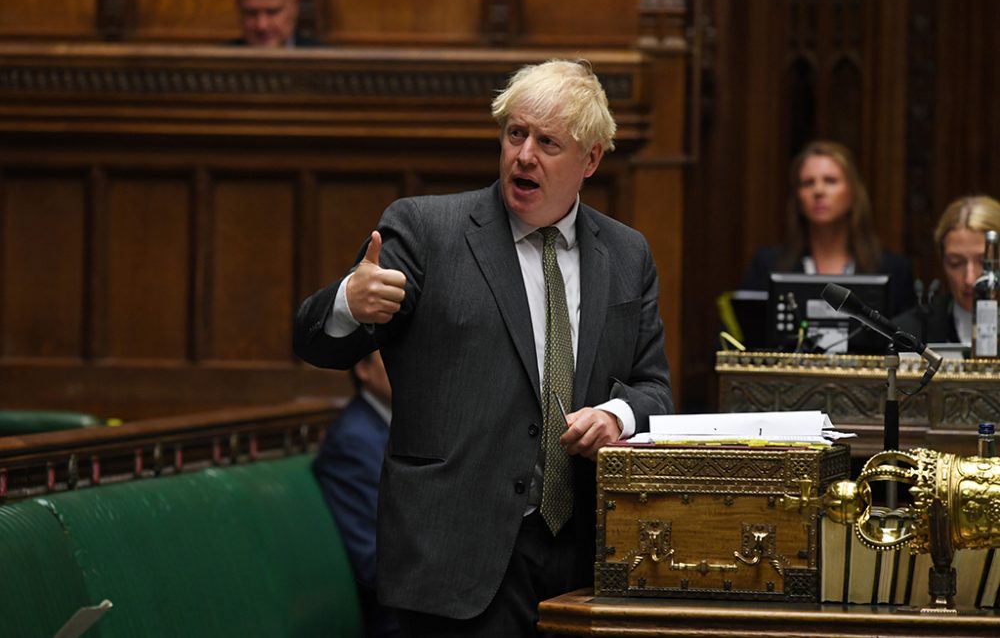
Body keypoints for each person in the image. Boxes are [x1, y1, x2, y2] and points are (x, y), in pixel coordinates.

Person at [293, 59, 673, 636]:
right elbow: (317, 342)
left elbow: (655, 391)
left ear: (590, 160)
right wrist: (348, 299)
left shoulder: (626, 254)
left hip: (586, 559)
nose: (524, 155)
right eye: (515, 133)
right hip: (456, 559)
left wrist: (616, 416)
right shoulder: (427, 230)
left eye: (548, 142)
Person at [738, 140, 915, 317]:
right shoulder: (768, 265)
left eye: (830, 181)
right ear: (798, 198)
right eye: (808, 183)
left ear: (853, 192)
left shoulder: (893, 269)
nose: (818, 191)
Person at [313, 350, 400, 638]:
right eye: (392, 356)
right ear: (363, 369)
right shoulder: (354, 442)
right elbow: (375, 565)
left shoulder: (399, 427)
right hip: (395, 621)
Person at [894, 195, 1000, 345]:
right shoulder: (910, 331)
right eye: (956, 263)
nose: (969, 279)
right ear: (942, 260)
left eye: (984, 263)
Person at [231, 0, 322, 47]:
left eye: (272, 12)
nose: (262, 25)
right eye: (251, 13)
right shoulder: (219, 63)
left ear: (295, 3)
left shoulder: (325, 60)